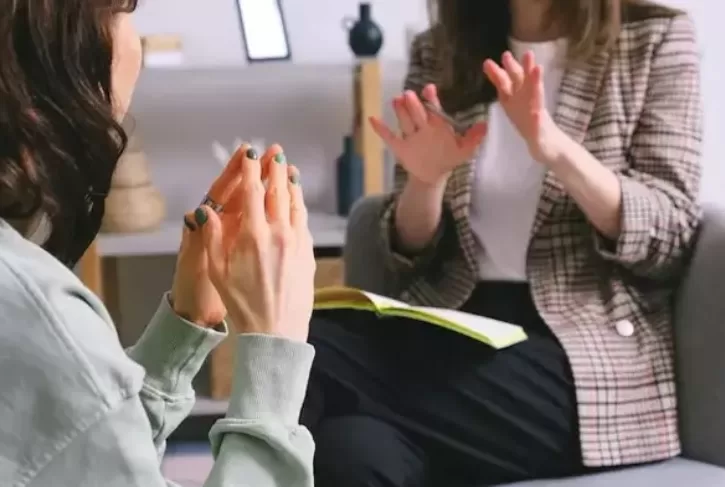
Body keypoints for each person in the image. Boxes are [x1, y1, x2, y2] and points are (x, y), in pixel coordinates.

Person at [302, 0, 703, 485]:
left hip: (579, 358)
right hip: (451, 330)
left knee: (308, 344)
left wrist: (556, 149)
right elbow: (410, 255)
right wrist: (427, 180)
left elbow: (671, 234)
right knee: (350, 454)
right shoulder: (442, 50)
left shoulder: (654, 38)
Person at [0, 2, 316, 486]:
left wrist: (184, 328)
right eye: (123, 11)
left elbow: (80, 458)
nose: (137, 45)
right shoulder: (43, 317)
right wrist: (275, 354)